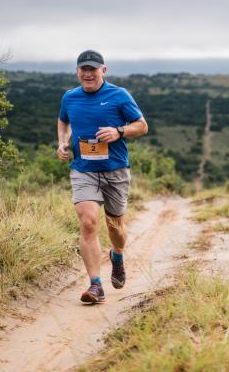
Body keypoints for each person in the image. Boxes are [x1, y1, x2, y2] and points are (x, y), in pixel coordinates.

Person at [57, 50, 148, 304]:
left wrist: (119, 131)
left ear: (103, 71)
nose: (88, 74)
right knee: (88, 222)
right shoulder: (70, 97)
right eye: (83, 69)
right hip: (84, 170)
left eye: (93, 69)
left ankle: (117, 254)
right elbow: (63, 121)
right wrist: (62, 142)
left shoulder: (119, 95)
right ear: (77, 72)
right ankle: (95, 285)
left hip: (115, 170)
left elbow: (142, 126)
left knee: (115, 227)